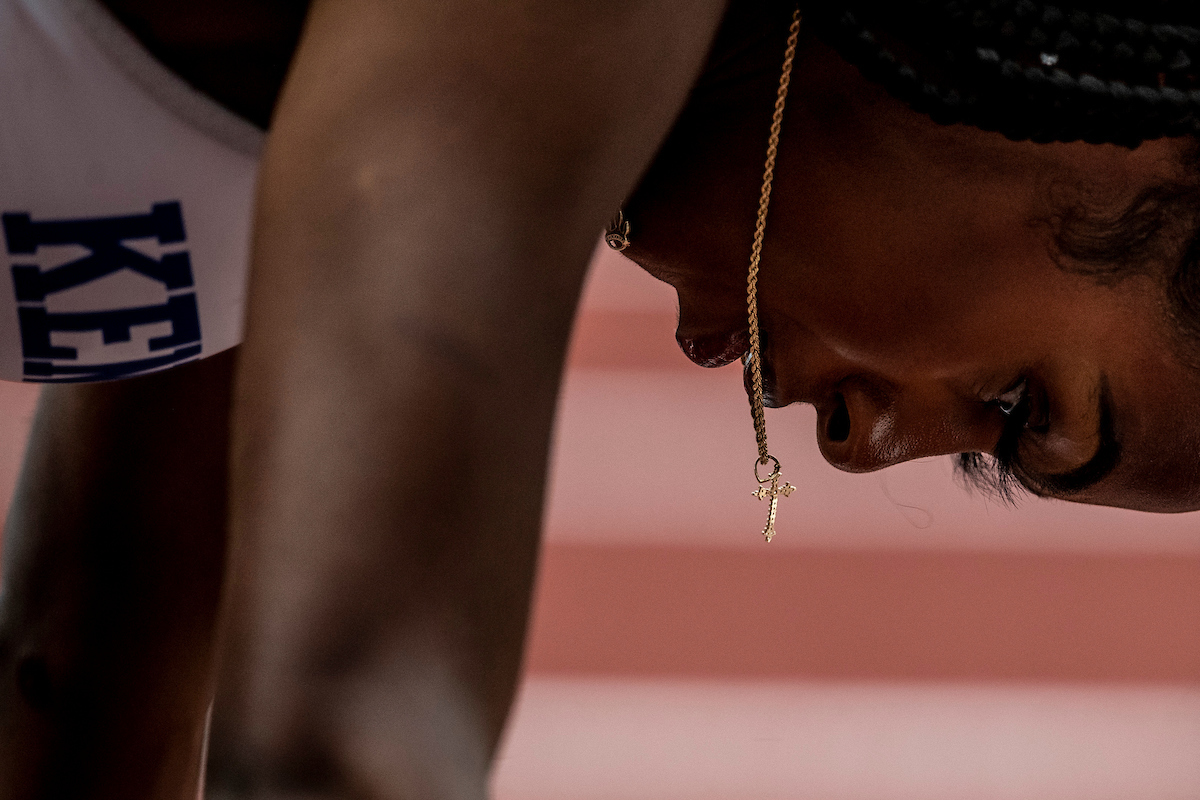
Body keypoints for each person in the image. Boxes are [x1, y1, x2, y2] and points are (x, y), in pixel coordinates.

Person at [2, 0, 1200, 798]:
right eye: (1016, 409)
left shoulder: (361, 142)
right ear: (1130, 127)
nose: (858, 442)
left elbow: (79, 667)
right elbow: (346, 728)